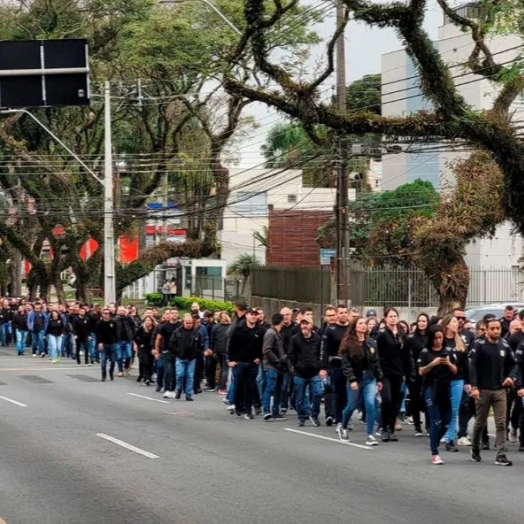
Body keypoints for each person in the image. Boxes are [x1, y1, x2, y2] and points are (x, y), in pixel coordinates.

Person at [469, 317, 518, 466]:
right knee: (480, 422)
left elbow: (514, 364)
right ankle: (475, 448)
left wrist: (510, 377)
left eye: (498, 328)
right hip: (483, 389)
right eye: (493, 328)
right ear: (487, 329)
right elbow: (472, 366)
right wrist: (474, 387)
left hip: (500, 390)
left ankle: (501, 454)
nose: (496, 331)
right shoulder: (479, 345)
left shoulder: (504, 345)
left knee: (502, 423)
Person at [339, 316, 383, 446]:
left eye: (365, 324)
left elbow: (376, 362)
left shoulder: (371, 343)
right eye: (361, 323)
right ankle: (344, 426)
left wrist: (379, 378)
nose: (364, 326)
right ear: (355, 326)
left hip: (369, 378)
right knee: (351, 406)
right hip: (356, 379)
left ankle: (370, 435)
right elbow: (346, 364)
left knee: (370, 404)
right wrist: (352, 380)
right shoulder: (348, 343)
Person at [418, 325, 457, 465]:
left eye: (440, 338)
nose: (438, 341)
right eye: (435, 338)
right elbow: (421, 371)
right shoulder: (425, 352)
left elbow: (455, 370)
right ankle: (434, 452)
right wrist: (432, 364)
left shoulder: (448, 351)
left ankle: (434, 440)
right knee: (435, 420)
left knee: (447, 421)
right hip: (430, 387)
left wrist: (449, 364)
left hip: (445, 386)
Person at [376, 307, 414, 442]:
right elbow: (377, 355)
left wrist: (409, 371)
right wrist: (378, 374)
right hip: (385, 373)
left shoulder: (402, 334)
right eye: (390, 316)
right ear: (385, 318)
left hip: (398, 373)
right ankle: (383, 427)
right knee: (387, 399)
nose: (393, 318)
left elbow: (407, 355)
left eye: (395, 316)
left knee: (396, 402)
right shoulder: (382, 334)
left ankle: (391, 428)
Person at [228, 308, 264, 419]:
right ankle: (239, 406)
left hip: (252, 363)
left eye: (255, 315)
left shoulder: (259, 330)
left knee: (250, 386)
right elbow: (231, 345)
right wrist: (231, 360)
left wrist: (260, 358)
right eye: (251, 314)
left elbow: (262, 346)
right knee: (238, 385)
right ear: (247, 315)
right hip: (239, 363)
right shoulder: (238, 329)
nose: (254, 316)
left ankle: (248, 410)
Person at [288, 317, 323, 427]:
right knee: (300, 396)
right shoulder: (295, 339)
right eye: (302, 324)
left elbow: (321, 353)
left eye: (307, 324)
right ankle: (301, 417)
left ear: (311, 325)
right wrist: (297, 365)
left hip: (314, 372)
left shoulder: (317, 339)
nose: (304, 326)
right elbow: (291, 354)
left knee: (318, 393)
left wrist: (318, 364)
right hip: (300, 373)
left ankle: (314, 415)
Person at [440, 314, 468, 453]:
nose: (457, 324)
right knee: (442, 409)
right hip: (442, 380)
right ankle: (439, 431)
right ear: (447, 325)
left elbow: (465, 363)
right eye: (454, 322)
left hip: (457, 379)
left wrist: (468, 382)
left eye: (458, 322)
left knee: (454, 410)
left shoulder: (460, 342)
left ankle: (450, 439)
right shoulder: (441, 341)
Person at [320, 304, 350, 427]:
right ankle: (338, 419)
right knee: (338, 393)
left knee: (349, 394)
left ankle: (346, 418)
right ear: (337, 314)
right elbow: (324, 349)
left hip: (351, 366)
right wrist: (323, 367)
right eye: (341, 312)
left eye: (345, 312)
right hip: (336, 365)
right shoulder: (330, 329)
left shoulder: (351, 328)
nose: (343, 314)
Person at [404, 313, 429, 436]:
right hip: (414, 372)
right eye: (420, 321)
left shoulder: (431, 337)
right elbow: (406, 355)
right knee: (415, 399)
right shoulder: (411, 338)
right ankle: (417, 425)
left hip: (428, 371)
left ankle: (429, 425)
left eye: (424, 321)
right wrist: (409, 372)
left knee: (428, 398)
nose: (422, 323)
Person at [169, 313, 205, 401]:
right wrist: (177, 352)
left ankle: (188, 394)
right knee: (180, 374)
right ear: (183, 322)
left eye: (190, 323)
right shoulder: (177, 332)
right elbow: (171, 344)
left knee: (190, 376)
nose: (189, 325)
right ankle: (179, 389)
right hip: (180, 357)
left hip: (191, 358)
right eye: (187, 323)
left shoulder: (197, 333)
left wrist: (197, 353)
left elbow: (201, 345)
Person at [262, 313, 288, 421]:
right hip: (271, 365)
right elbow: (267, 350)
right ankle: (267, 411)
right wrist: (277, 361)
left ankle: (275, 411)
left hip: (279, 366)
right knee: (270, 387)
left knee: (278, 389)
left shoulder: (277, 333)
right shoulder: (271, 333)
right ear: (281, 321)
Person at [208, 312, 231, 395]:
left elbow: (212, 339)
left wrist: (212, 349)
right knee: (225, 369)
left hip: (218, 350)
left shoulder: (216, 327)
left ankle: (219, 385)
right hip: (226, 350)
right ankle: (222, 387)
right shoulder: (230, 327)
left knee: (221, 367)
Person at [96, 307, 117, 382]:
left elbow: (115, 333)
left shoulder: (113, 322)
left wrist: (115, 341)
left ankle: (111, 372)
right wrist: (99, 343)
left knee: (113, 360)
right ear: (102, 314)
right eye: (105, 313)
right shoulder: (99, 323)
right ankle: (103, 375)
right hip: (103, 344)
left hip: (112, 343)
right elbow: (97, 334)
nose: (107, 315)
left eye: (108, 313)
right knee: (103, 361)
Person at [134, 315, 156, 386]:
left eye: (149, 320)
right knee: (145, 362)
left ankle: (149, 377)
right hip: (143, 348)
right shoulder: (141, 329)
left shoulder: (155, 329)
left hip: (151, 348)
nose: (147, 322)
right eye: (146, 320)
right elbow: (135, 337)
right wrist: (139, 343)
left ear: (152, 322)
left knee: (150, 362)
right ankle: (146, 378)